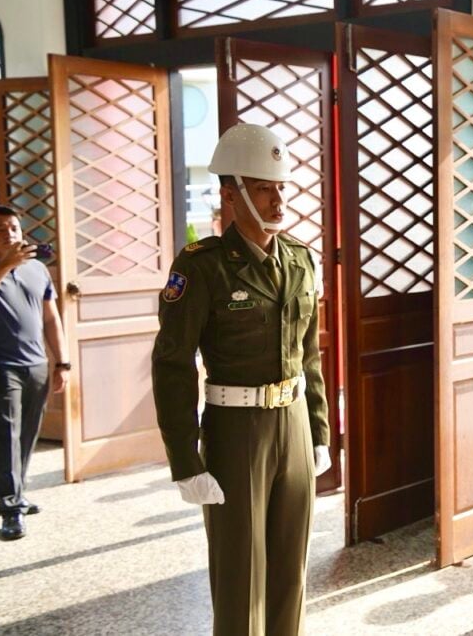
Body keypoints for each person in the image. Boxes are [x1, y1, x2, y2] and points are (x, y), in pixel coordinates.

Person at [152, 124, 331, 633]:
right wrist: (185, 460)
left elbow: (309, 354)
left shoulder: (300, 259)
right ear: (231, 196)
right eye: (263, 188)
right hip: (236, 429)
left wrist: (319, 430)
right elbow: (172, 365)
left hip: (293, 422)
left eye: (281, 188)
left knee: (291, 572)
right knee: (239, 574)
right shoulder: (203, 267)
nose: (278, 200)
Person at [0, 207, 70, 540]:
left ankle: (16, 493)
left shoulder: (37, 269)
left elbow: (51, 318)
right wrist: (5, 265)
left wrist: (62, 362)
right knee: (4, 437)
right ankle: (10, 508)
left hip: (36, 364)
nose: (8, 233)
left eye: (13, 227)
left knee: (26, 435)